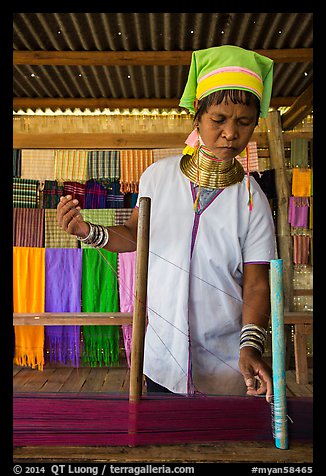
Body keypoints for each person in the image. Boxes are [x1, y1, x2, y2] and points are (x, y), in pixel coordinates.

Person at [57, 45, 275, 401]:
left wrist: (250, 347)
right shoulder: (157, 178)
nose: (231, 133)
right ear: (196, 117)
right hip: (161, 357)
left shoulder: (253, 199)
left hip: (227, 364)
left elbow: (255, 285)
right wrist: (87, 232)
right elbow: (134, 236)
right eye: (218, 119)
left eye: (244, 122)